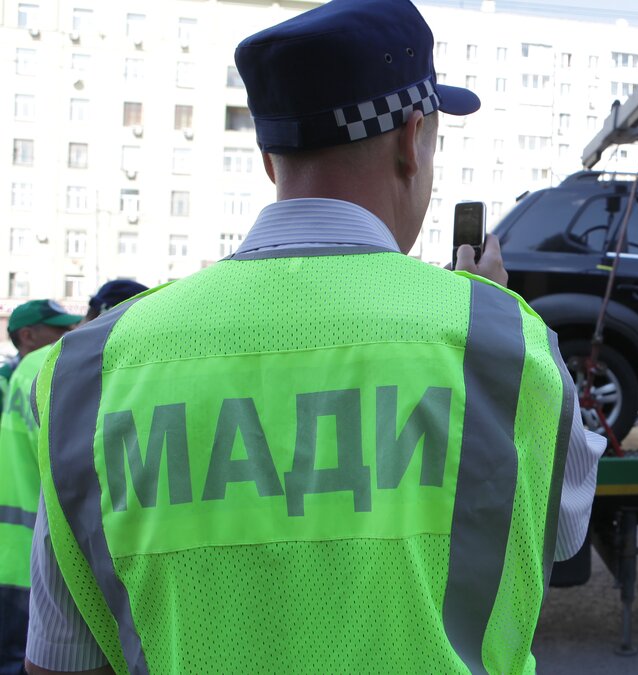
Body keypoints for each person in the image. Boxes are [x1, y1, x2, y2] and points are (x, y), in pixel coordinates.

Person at [24, 1, 604, 673]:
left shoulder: (89, 369)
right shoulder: (504, 344)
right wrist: (488, 309)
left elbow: (57, 661)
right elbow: (559, 538)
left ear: (271, 158)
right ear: (412, 140)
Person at [1, 301, 83, 675]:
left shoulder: (18, 376)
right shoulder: (54, 364)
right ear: (28, 336)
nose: (67, 333)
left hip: (10, 555)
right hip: (45, 562)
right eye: (57, 328)